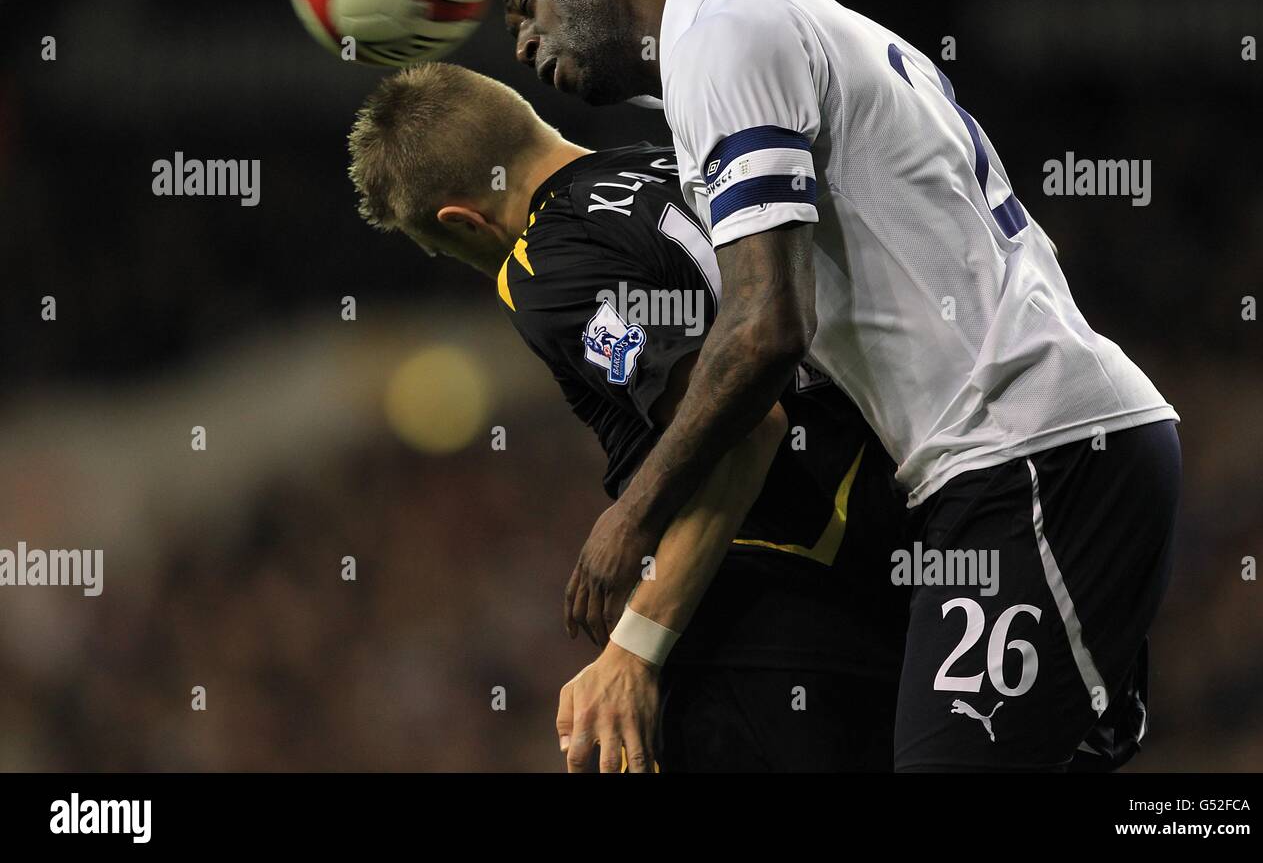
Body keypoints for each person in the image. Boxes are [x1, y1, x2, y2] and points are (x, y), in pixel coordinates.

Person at [503, 0, 1181, 771]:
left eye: (529, 7)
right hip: (1011, 462)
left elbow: (768, 325)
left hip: (1033, 453)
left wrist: (633, 517)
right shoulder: (778, 29)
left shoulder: (726, 39)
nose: (522, 44)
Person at [346, 62, 911, 772]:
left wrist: (632, 649)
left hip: (775, 596)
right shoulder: (682, 159)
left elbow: (741, 421)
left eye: (440, 247)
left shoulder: (543, 265)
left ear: (462, 220)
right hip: (894, 550)